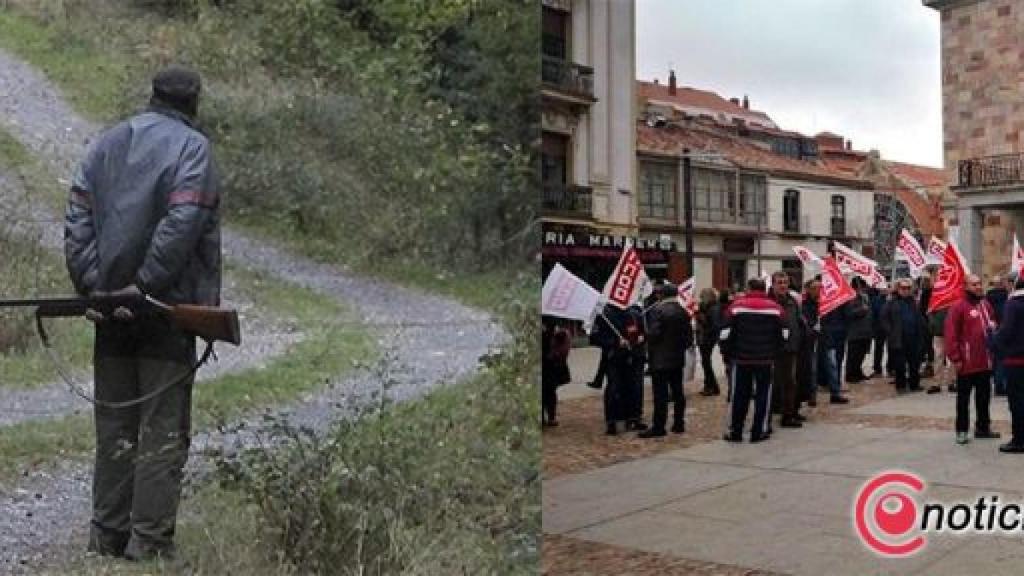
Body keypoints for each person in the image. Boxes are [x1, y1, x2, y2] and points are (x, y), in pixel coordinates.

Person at [65, 66, 221, 561]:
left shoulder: (106, 142)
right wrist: (143, 288)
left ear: (152, 96)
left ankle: (105, 535)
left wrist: (96, 288)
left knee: (114, 424)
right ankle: (150, 543)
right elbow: (183, 224)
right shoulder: (193, 150)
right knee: (162, 429)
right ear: (194, 102)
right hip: (165, 312)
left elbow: (77, 218)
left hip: (110, 311)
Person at [721, 278, 784, 443]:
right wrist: (776, 352)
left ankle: (736, 431)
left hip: (741, 359)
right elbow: (783, 334)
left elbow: (725, 333)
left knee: (738, 396)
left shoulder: (736, 307)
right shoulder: (776, 308)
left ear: (748, 288)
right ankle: (759, 431)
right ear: (765, 289)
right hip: (765, 359)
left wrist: (727, 354)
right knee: (764, 396)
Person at [944, 274, 1000, 444]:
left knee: (983, 398)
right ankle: (961, 430)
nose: (978, 287)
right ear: (966, 286)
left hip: (984, 361)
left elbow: (992, 323)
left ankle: (983, 428)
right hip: (966, 363)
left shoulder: (985, 304)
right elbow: (951, 334)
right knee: (963, 399)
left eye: (979, 284)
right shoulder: (958, 307)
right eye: (974, 284)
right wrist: (956, 357)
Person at [639, 283, 692, 438]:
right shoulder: (683, 311)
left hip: (660, 359)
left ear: (661, 295)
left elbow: (654, 334)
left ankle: (659, 426)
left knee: (660, 394)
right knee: (678, 392)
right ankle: (678, 423)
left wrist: (646, 334)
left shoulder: (658, 311)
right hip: (677, 358)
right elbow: (688, 338)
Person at [992, 272, 1024, 453]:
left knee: (1017, 402)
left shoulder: (1013, 304)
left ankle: (1019, 439)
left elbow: (1006, 331)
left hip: (1016, 360)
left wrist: (994, 341)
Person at [770, 271, 804, 428]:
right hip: (775, 348)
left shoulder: (792, 301)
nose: (783, 285)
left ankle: (789, 412)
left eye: (785, 282)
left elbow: (798, 321)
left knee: (791, 382)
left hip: (792, 347)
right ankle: (781, 413)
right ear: (773, 284)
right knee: (778, 383)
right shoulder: (770, 302)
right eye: (780, 282)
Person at [882, 279, 927, 394]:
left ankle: (914, 384)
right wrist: (891, 332)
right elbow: (884, 319)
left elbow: (919, 318)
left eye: (908, 288)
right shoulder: (891, 302)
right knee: (900, 365)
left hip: (913, 338)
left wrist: (922, 329)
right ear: (898, 288)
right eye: (903, 288)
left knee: (914, 363)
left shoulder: (913, 302)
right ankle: (900, 386)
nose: (906, 290)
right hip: (898, 338)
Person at [820, 297, 853, 404]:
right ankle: (833, 386)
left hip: (836, 332)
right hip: (830, 333)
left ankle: (834, 387)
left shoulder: (841, 299)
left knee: (834, 362)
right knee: (833, 362)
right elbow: (849, 314)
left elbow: (848, 314)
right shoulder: (838, 298)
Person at [541, 317, 572, 427]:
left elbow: (562, 338)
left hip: (551, 362)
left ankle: (551, 417)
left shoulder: (552, 321)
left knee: (549, 390)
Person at [798, 278, 821, 409]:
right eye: (815, 288)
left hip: (822, 338)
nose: (818, 290)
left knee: (815, 368)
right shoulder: (803, 303)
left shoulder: (822, 303)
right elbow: (805, 321)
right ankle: (810, 394)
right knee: (810, 369)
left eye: (819, 288)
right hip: (808, 340)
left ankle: (812, 393)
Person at [845, 277, 873, 383]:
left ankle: (857, 372)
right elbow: (849, 314)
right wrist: (861, 310)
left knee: (861, 354)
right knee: (853, 355)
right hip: (855, 332)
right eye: (861, 287)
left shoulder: (864, 297)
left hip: (866, 331)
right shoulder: (849, 298)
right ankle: (850, 375)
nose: (863, 290)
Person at [695, 287, 722, 396]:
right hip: (705, 337)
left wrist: (701, 320)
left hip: (708, 339)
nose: (700, 298)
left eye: (702, 296)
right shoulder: (708, 307)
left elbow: (714, 326)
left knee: (706, 363)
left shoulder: (714, 308)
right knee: (705, 362)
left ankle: (713, 387)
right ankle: (709, 386)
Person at [987, 275, 1009, 396]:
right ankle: (1002, 386)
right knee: (1003, 359)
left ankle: (998, 385)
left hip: (993, 330)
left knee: (997, 360)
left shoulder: (986, 298)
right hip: (1004, 329)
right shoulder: (1006, 297)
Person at [870, 282, 889, 377]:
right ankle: (877, 369)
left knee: (891, 349)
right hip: (879, 328)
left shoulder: (890, 300)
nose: (884, 290)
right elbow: (873, 315)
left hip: (889, 329)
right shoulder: (875, 300)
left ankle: (890, 367)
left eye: (885, 288)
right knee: (878, 349)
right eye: (882, 288)